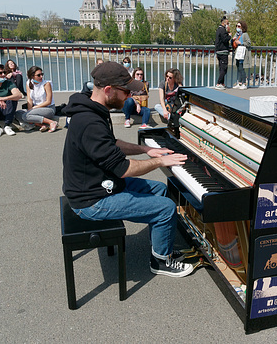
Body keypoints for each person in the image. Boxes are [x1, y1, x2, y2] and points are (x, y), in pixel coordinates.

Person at [62, 61, 194, 277]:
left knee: (160, 190)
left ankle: (161, 247)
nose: (129, 96)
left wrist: (145, 150)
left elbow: (111, 143)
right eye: (125, 91)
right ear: (108, 90)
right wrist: (161, 162)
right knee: (166, 207)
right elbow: (123, 168)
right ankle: (161, 262)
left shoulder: (93, 108)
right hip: (91, 200)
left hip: (99, 182)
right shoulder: (89, 122)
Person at [15, 66, 58, 132]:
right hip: (35, 108)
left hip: (48, 108)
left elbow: (48, 101)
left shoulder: (46, 84)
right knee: (17, 113)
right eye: (38, 75)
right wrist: (30, 110)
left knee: (25, 116)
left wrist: (35, 107)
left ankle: (51, 122)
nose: (41, 76)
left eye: (42, 74)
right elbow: (29, 99)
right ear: (32, 76)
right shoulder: (28, 83)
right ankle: (40, 125)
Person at [231, 20, 251, 89]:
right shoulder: (236, 34)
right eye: (236, 26)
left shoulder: (245, 34)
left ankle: (244, 83)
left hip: (243, 53)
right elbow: (232, 43)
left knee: (241, 68)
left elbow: (248, 43)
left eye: (239, 26)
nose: (237, 27)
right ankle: (239, 83)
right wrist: (232, 40)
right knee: (238, 67)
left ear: (242, 27)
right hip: (237, 53)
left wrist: (241, 43)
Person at [214, 16, 231, 90]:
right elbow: (225, 39)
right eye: (227, 23)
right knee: (224, 68)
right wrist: (229, 36)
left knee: (221, 68)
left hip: (219, 51)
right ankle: (218, 83)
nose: (228, 25)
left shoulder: (219, 29)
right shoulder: (222, 30)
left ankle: (222, 83)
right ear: (224, 23)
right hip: (223, 51)